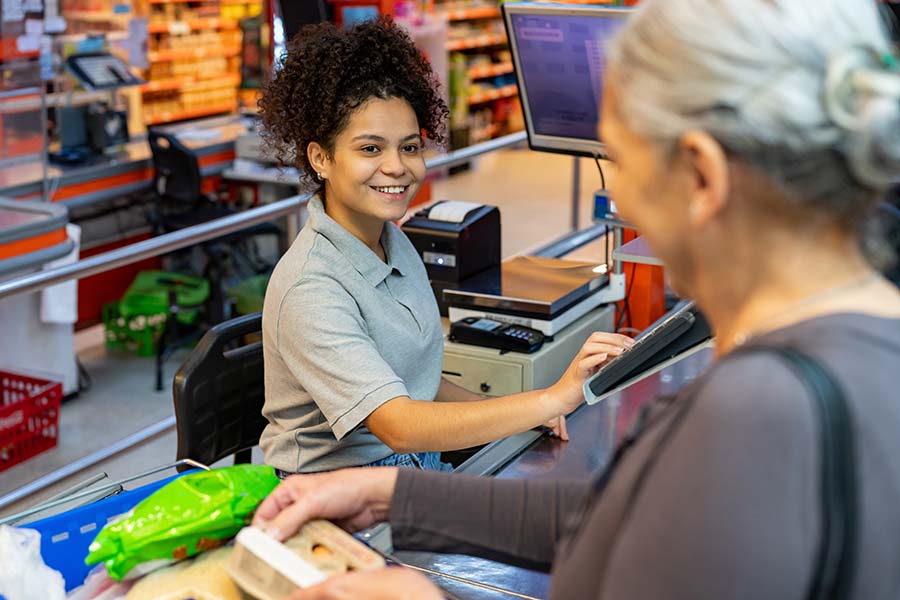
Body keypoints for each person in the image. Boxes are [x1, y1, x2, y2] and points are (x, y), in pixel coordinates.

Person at [252, 0, 900, 597]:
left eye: (622, 158)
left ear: (700, 176)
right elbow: (619, 509)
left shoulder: (758, 407)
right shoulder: (853, 343)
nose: (617, 198)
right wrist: (392, 493)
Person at [257, 18, 633, 475]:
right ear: (321, 158)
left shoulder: (394, 242)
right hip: (335, 496)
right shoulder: (311, 288)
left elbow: (420, 385)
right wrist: (551, 397)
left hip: (415, 470)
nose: (397, 167)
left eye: (410, 147)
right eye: (370, 149)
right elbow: (399, 424)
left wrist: (525, 410)